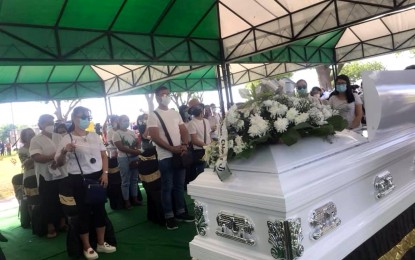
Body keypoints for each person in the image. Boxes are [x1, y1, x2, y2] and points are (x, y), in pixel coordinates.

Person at [55, 106, 116, 259]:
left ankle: (101, 243)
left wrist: (105, 173)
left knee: (100, 210)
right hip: (78, 180)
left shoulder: (95, 136)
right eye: (82, 116)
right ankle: (87, 246)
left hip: (98, 177)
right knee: (83, 213)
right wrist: (65, 151)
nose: (85, 120)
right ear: (74, 118)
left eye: (87, 117)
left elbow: (104, 156)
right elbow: (59, 162)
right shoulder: (66, 138)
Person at [147, 86, 194, 230]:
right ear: (157, 97)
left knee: (179, 186)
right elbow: (154, 136)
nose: (166, 96)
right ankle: (169, 216)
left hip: (179, 154)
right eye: (163, 94)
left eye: (168, 94)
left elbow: (184, 130)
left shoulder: (175, 113)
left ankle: (180, 212)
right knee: (167, 187)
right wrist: (171, 148)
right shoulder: (153, 115)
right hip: (165, 157)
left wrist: (184, 144)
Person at [30, 115, 68, 238]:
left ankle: (62, 223)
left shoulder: (60, 137)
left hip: (62, 173)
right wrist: (54, 156)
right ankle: (50, 225)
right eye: (46, 122)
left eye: (51, 122)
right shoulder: (36, 139)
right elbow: (36, 157)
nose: (50, 124)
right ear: (40, 125)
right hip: (45, 175)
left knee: (63, 198)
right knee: (48, 201)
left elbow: (65, 153)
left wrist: (60, 158)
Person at [112, 115, 143, 209]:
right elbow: (120, 147)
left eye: (128, 120)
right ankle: (127, 201)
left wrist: (138, 147)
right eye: (124, 120)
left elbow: (138, 143)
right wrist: (136, 151)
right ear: (119, 122)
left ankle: (135, 199)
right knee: (125, 181)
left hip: (134, 157)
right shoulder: (116, 133)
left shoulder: (131, 132)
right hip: (123, 159)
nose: (127, 122)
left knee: (134, 180)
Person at [188, 99, 212, 177]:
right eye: (194, 107)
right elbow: (194, 140)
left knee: (210, 172)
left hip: (209, 151)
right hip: (199, 152)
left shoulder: (206, 121)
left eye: (198, 106)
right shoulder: (192, 123)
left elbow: (209, 135)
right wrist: (206, 146)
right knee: (202, 174)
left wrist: (211, 146)